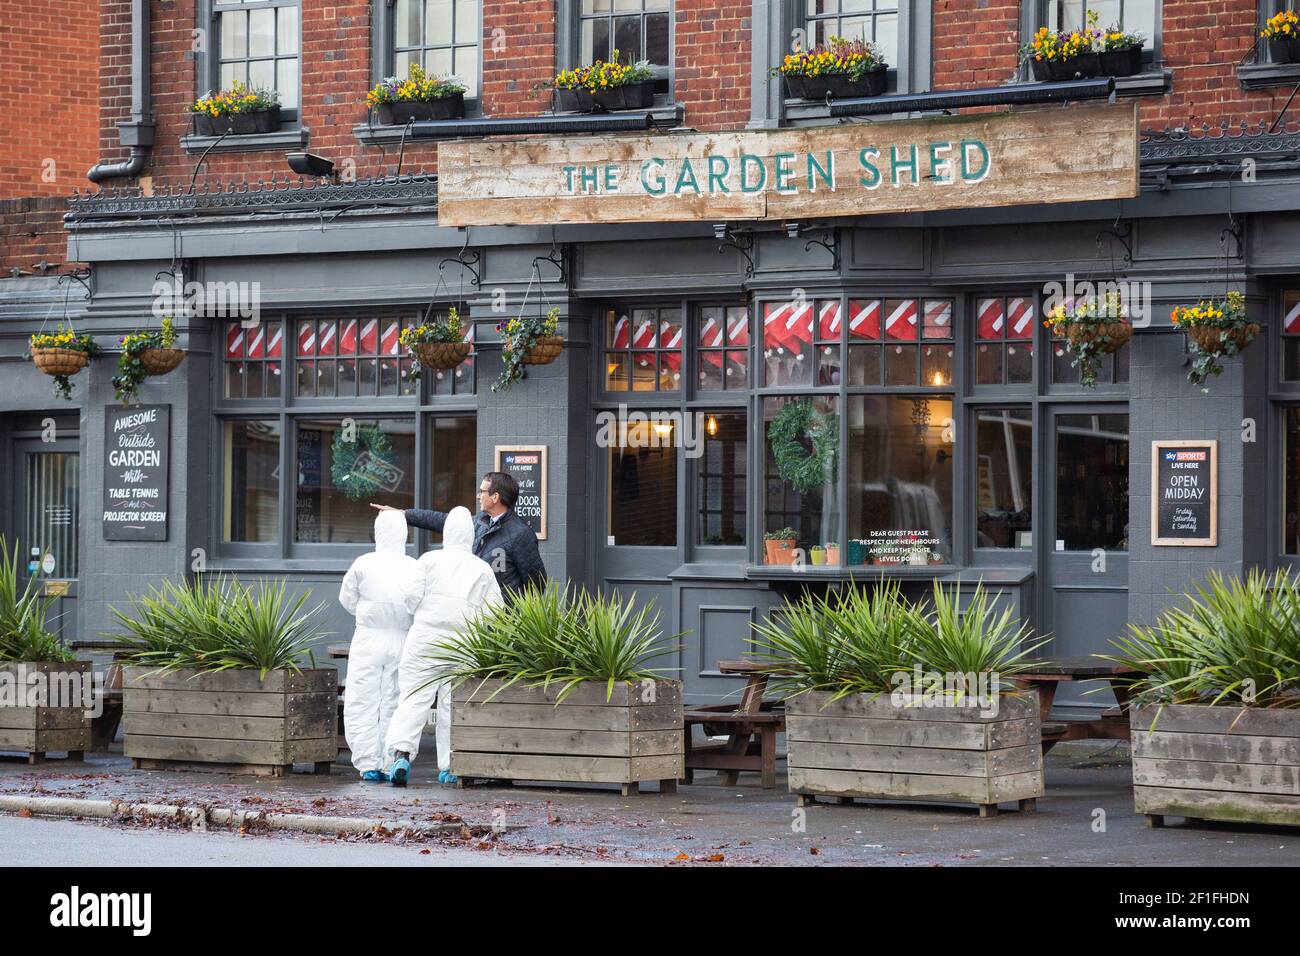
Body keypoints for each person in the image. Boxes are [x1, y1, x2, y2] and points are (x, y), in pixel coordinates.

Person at [384, 506, 502, 787]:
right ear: (470, 535)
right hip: (463, 643)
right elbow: (495, 614)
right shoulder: (482, 568)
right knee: (453, 704)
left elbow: (409, 598)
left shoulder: (428, 560)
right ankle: (450, 765)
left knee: (413, 698)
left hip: (424, 638)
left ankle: (401, 755)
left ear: (447, 533)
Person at [338, 509, 424, 782]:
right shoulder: (413, 565)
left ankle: (366, 763)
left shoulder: (363, 563)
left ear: (377, 533)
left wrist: (365, 615)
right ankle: (391, 761)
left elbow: (346, 599)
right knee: (395, 700)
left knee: (361, 699)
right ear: (404, 534)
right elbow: (416, 602)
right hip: (401, 637)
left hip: (368, 637)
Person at [370, 470, 546, 599]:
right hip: (475, 613)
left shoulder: (521, 534)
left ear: (495, 497)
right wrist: (403, 514)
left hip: (503, 623)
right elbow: (442, 520)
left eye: (482, 491)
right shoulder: (478, 521)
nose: (478, 496)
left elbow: (536, 583)